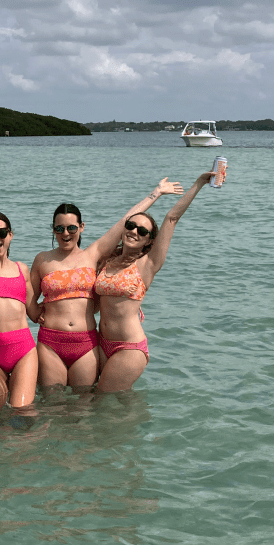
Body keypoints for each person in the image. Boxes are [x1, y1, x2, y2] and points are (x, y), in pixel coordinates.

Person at [30, 178, 183, 389]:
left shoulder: (94, 254)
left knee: (84, 407)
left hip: (86, 342)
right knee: (51, 402)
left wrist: (156, 193)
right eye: (59, 228)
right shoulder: (42, 260)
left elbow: (126, 222)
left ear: (81, 227)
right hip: (50, 341)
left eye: (72, 227)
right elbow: (28, 298)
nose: (66, 233)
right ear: (53, 230)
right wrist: (34, 313)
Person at [95, 168, 224, 392]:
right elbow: (125, 217)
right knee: (115, 403)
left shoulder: (147, 264)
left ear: (148, 240)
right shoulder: (107, 261)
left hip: (129, 347)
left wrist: (199, 183)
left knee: (99, 400)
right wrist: (156, 192)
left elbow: (172, 218)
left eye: (142, 231)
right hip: (101, 342)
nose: (134, 231)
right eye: (130, 226)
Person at [0, 212, 40, 407]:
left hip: (23, 351)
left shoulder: (22, 269)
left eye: (1, 232)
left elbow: (34, 313)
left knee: (21, 412)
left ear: (10, 235)